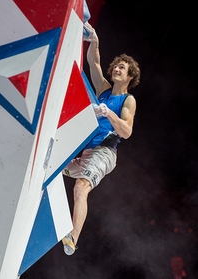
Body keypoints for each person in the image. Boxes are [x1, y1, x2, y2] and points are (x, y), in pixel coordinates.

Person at [61, 22, 141, 255]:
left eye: (122, 67)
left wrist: (108, 113)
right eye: (115, 65)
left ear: (130, 75)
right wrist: (94, 41)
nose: (116, 68)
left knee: (81, 187)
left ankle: (73, 238)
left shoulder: (128, 100)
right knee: (49, 169)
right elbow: (94, 63)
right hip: (84, 154)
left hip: (104, 154)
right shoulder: (103, 89)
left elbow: (126, 131)